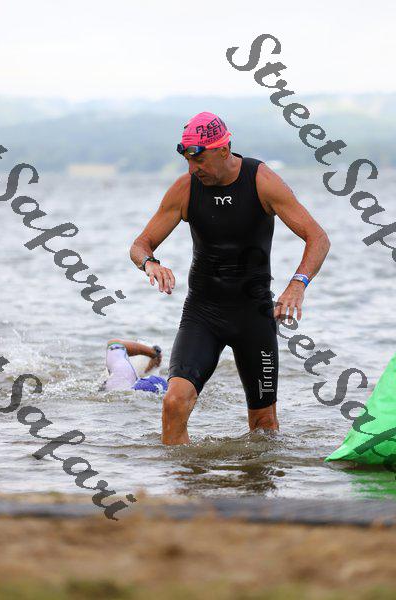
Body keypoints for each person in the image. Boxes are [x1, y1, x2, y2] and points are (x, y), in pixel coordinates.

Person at [129, 111, 331, 445]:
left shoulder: (261, 181)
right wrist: (150, 263)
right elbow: (140, 245)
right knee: (174, 402)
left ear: (223, 149)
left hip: (254, 317)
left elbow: (318, 237)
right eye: (187, 161)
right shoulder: (185, 189)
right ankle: (179, 477)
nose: (193, 169)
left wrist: (298, 284)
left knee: (264, 425)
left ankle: (256, 480)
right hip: (202, 314)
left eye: (199, 160)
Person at [100, 339, 168, 393]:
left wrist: (152, 353)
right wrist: (154, 353)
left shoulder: (120, 378)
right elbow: (115, 343)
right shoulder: (123, 376)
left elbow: (115, 343)